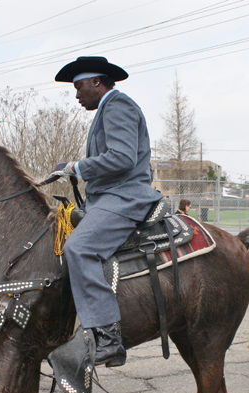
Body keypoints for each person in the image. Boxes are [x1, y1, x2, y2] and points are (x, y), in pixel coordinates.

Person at [53, 56, 163, 367]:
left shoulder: (117, 105)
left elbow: (122, 158)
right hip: (106, 197)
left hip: (125, 197)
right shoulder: (107, 109)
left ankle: (108, 337)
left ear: (97, 82)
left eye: (79, 87)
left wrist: (78, 166)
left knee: (79, 248)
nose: (76, 95)